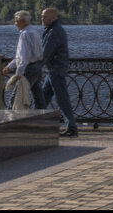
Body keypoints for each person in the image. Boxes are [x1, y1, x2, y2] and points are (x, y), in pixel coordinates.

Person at [39, 8, 78, 137]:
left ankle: (72, 127)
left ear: (53, 18)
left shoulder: (54, 31)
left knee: (62, 99)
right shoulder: (52, 30)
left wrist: (36, 65)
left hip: (56, 69)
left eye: (44, 17)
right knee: (43, 97)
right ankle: (36, 124)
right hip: (53, 70)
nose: (42, 19)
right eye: (42, 16)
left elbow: (46, 52)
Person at [2, 10, 45, 109]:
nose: (15, 24)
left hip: (28, 69)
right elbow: (31, 54)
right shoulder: (34, 32)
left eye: (16, 21)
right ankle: (44, 119)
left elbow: (24, 56)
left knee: (17, 96)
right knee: (38, 95)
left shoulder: (25, 34)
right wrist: (10, 66)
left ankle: (10, 120)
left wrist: (19, 73)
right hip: (37, 67)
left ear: (22, 21)